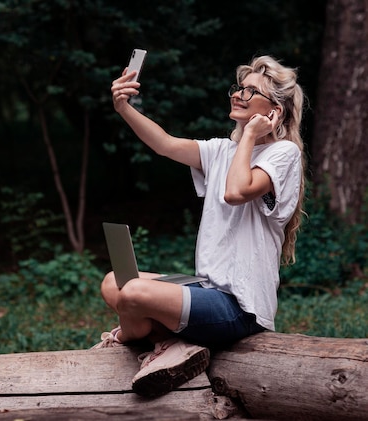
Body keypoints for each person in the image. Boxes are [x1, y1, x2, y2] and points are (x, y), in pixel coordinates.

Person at [92, 55, 306, 398]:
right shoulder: (223, 150)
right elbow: (164, 144)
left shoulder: (283, 155)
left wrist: (251, 134)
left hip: (239, 308)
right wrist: (124, 108)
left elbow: (236, 191)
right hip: (206, 289)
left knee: (132, 294)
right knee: (114, 284)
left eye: (251, 92)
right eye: (239, 88)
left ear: (275, 110)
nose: (238, 95)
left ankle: (136, 339)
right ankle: (171, 344)